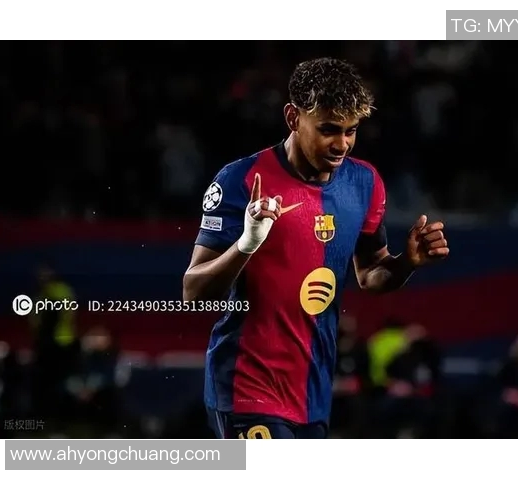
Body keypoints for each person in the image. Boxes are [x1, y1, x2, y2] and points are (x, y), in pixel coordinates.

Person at [183, 57, 450, 439]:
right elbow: (193, 292)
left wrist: (407, 262)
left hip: (313, 395)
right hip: (246, 388)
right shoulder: (240, 180)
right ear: (293, 118)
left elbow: (371, 275)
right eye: (328, 130)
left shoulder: (364, 183)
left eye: (351, 131)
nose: (342, 144)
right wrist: (247, 243)